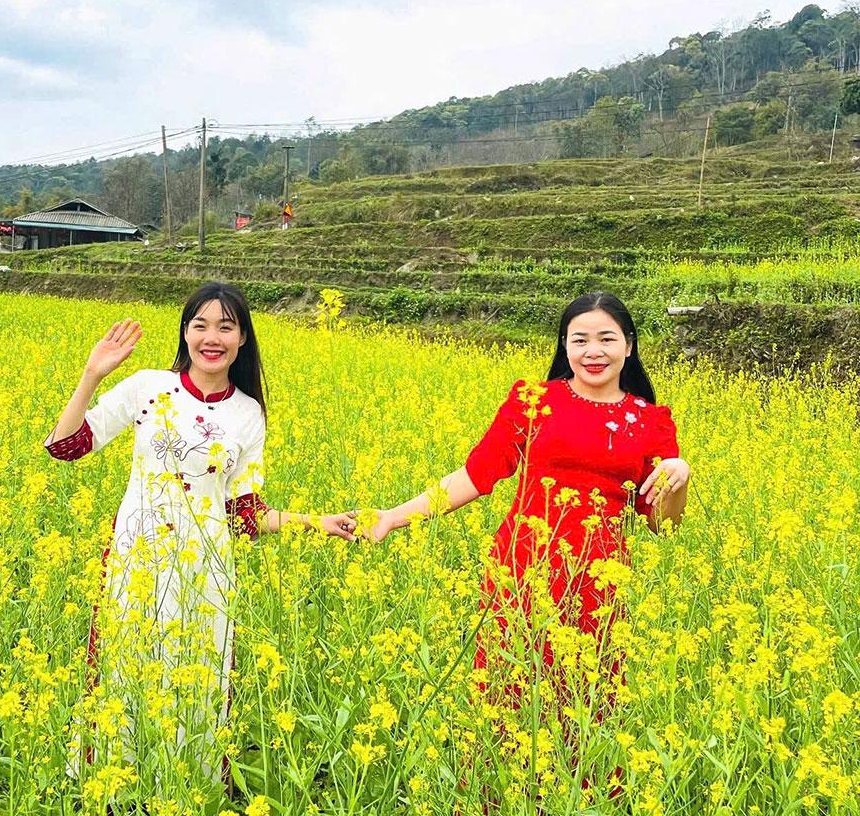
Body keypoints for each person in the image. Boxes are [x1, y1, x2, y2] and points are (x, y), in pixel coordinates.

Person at [45, 282, 356, 774]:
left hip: (206, 574)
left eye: (226, 327)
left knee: (200, 680)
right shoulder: (147, 388)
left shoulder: (249, 414)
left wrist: (316, 523)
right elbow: (66, 447)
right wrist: (92, 374)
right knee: (121, 672)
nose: (212, 337)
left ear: (242, 338)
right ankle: (111, 790)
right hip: (135, 561)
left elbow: (243, 514)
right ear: (185, 333)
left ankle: (186, 794)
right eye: (201, 325)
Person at [364, 292, 690, 693]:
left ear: (628, 345)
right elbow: (473, 477)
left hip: (600, 579)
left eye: (606, 339)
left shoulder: (651, 422)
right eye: (580, 340)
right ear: (565, 346)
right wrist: (392, 517)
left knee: (588, 697)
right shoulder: (533, 401)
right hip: (521, 569)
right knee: (510, 691)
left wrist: (680, 475)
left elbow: (663, 524)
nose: (593, 351)